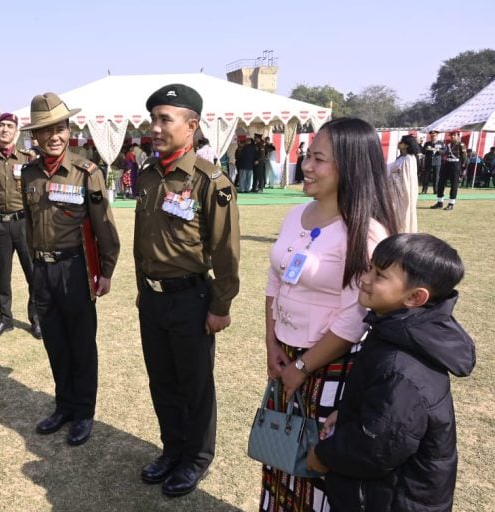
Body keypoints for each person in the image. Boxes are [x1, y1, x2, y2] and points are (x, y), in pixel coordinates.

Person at [261, 117, 400, 512]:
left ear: (351, 167)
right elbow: (275, 281)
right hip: (286, 357)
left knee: (317, 463)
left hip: (331, 370)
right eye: (307, 155)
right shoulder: (296, 214)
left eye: (319, 159)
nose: (306, 165)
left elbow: (354, 319)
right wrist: (272, 345)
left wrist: (302, 367)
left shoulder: (367, 232)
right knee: (280, 452)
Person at [307, 233, 475, 511]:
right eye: (370, 267)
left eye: (380, 275)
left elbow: (377, 447)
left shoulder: (402, 367)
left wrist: (323, 455)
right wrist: (350, 411)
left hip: (393, 498)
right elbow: (385, 415)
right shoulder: (395, 329)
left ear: (415, 297)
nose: (365, 279)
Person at [135, 84, 241, 497]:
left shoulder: (210, 181)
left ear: (191, 126)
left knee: (194, 385)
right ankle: (172, 449)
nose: (156, 128)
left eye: (165, 119)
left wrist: (221, 305)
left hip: (192, 299)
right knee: (161, 381)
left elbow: (227, 251)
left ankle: (196, 458)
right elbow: (144, 240)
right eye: (153, 119)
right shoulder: (147, 175)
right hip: (154, 298)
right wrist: (143, 289)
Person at [20, 92, 120, 447]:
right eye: (46, 130)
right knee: (56, 344)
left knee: (81, 344)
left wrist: (105, 271)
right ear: (35, 136)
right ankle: (63, 405)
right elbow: (31, 224)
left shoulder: (86, 172)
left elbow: (104, 225)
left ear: (68, 129)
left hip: (74, 269)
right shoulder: (29, 173)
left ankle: (83, 412)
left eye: (60, 127)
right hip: (43, 272)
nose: (55, 136)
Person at [0, 112, 41, 339]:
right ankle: (5, 319)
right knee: (2, 273)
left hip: (23, 223)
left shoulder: (27, 159)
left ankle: (36, 319)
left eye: (9, 126)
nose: (5, 129)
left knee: (32, 273)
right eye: (1, 126)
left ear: (16, 131)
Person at [387, 134, 420, 232]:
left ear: (406, 145)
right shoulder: (401, 157)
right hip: (394, 192)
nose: (399, 144)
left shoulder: (409, 159)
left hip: (402, 192)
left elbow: (406, 178)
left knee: (403, 213)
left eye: (401, 142)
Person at [431, 130, 464, 211]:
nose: (452, 136)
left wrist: (462, 168)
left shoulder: (461, 144)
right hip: (446, 164)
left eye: (454, 135)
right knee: (441, 183)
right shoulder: (448, 145)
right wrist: (437, 150)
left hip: (455, 165)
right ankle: (440, 202)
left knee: (454, 185)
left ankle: (451, 203)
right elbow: (444, 153)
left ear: (458, 135)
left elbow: (464, 157)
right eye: (451, 135)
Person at [421, 130, 444, 195]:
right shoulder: (427, 143)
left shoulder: (440, 143)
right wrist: (426, 149)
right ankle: (424, 190)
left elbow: (444, 151)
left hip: (437, 162)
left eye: (434, 136)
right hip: (428, 161)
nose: (432, 137)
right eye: (431, 136)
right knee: (426, 176)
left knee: (436, 177)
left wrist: (437, 150)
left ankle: (435, 190)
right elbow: (422, 151)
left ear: (437, 136)